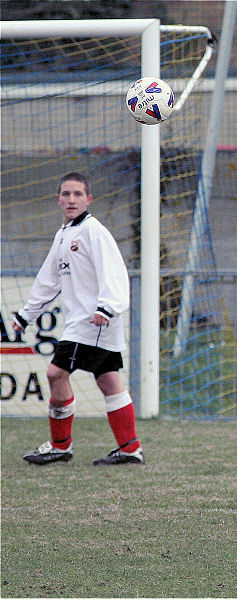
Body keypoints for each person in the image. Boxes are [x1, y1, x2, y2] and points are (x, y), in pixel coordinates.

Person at [13, 172, 144, 466]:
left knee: (55, 374)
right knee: (109, 381)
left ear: (89, 199)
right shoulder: (64, 234)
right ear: (58, 199)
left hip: (93, 322)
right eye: (66, 194)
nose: (72, 199)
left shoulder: (93, 231)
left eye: (78, 194)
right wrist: (26, 314)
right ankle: (130, 448)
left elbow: (114, 271)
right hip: (89, 323)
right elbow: (48, 280)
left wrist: (107, 308)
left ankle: (60, 446)